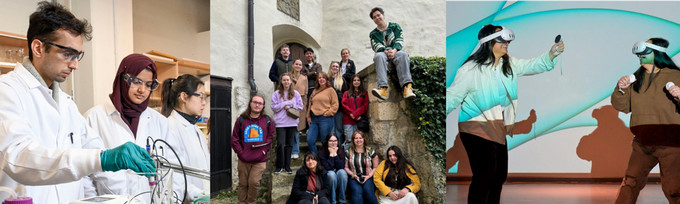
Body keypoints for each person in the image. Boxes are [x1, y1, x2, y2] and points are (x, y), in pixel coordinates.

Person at [0, 2, 155, 203]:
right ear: (38, 48)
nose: (75, 65)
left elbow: (92, 150)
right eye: (67, 54)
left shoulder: (67, 104)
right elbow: (20, 158)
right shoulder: (7, 91)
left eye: (77, 55)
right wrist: (102, 159)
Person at [445, 24, 564, 204]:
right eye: (501, 40)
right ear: (488, 43)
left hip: (497, 126)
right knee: (484, 176)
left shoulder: (507, 64)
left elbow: (531, 65)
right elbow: (452, 97)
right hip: (474, 128)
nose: (506, 43)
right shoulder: (470, 70)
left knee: (499, 176)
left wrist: (551, 54)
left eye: (507, 40)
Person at [84, 53, 171, 202]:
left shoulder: (160, 122)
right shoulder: (93, 118)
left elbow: (169, 170)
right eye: (136, 82)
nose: (142, 90)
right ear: (123, 79)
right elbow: (84, 174)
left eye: (148, 85)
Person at [611, 38, 680, 204]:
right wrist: (621, 89)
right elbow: (622, 107)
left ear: (656, 52)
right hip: (642, 143)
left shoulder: (676, 76)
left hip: (671, 144)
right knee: (630, 183)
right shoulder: (636, 78)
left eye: (644, 50)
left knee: (674, 189)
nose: (639, 55)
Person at [160, 74, 210, 202]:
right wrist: (200, 196)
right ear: (184, 97)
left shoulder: (195, 129)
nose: (204, 102)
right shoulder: (169, 127)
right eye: (201, 97)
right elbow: (174, 177)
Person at [232, 94, 275, 204]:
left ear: (263, 106)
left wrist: (264, 151)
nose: (257, 105)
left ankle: (251, 202)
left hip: (260, 160)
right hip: (243, 159)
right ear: (250, 104)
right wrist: (240, 153)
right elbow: (235, 139)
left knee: (254, 183)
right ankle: (241, 202)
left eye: (260, 103)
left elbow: (270, 137)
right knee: (243, 183)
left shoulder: (267, 120)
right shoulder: (241, 120)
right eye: (255, 102)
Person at [368, 7, 415, 100]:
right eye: (374, 17)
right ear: (373, 20)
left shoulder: (395, 26)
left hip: (396, 51)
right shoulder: (373, 33)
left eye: (378, 15)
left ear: (383, 15)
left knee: (403, 55)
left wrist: (394, 50)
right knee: (378, 56)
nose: (377, 18)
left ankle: (407, 87)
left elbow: (399, 39)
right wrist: (385, 51)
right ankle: (383, 89)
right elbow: (376, 45)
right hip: (383, 53)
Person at [271, 73, 303, 174]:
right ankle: (279, 166)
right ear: (281, 81)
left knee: (289, 144)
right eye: (284, 80)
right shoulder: (276, 93)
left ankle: (287, 166)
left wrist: (290, 106)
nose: (286, 82)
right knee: (280, 144)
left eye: (287, 80)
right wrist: (285, 103)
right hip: (280, 123)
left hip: (292, 122)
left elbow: (300, 107)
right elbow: (273, 107)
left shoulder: (296, 93)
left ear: (290, 81)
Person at [306, 72, 338, 154]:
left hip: (325, 119)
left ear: (327, 80)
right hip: (314, 119)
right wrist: (308, 116)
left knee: (325, 141)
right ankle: (316, 159)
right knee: (310, 140)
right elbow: (310, 104)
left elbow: (335, 105)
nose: (321, 79)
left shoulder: (331, 90)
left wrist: (328, 113)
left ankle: (325, 160)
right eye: (319, 78)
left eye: (323, 77)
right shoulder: (314, 90)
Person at [344, 130, 379, 204]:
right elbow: (346, 167)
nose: (358, 140)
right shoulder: (349, 152)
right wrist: (353, 175)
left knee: (368, 190)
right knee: (357, 191)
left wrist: (368, 176)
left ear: (363, 139)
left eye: (360, 138)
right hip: (354, 177)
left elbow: (376, 167)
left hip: (368, 176)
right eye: (356, 138)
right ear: (353, 140)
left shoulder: (370, 151)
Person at [318, 134, 348, 204]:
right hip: (328, 177)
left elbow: (341, 166)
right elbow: (328, 168)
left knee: (342, 172)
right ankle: (333, 200)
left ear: (337, 141)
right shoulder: (322, 152)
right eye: (331, 141)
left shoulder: (340, 150)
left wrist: (336, 155)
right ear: (327, 142)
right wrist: (331, 154)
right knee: (331, 174)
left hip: (338, 177)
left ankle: (342, 200)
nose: (333, 143)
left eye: (335, 141)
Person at [341, 75, 369, 148]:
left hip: (359, 121)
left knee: (359, 141)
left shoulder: (364, 93)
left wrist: (355, 114)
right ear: (352, 82)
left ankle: (356, 158)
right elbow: (344, 105)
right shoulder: (346, 93)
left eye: (358, 80)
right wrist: (352, 114)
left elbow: (365, 105)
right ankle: (346, 158)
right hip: (348, 121)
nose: (356, 82)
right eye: (354, 80)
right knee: (349, 140)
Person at [291, 59, 308, 159]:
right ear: (293, 65)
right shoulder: (288, 76)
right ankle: (289, 151)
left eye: (300, 65)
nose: (298, 66)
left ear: (302, 67)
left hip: (300, 105)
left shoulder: (304, 78)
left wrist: (303, 108)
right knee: (290, 130)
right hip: (289, 105)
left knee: (296, 130)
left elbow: (305, 94)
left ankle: (295, 150)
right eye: (296, 64)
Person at [328, 61, 350, 139]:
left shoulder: (342, 80)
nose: (335, 68)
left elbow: (346, 94)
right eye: (333, 66)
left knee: (339, 129)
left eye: (337, 66)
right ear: (331, 68)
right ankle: (331, 147)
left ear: (339, 69)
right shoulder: (327, 80)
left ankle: (339, 147)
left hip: (339, 108)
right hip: (329, 107)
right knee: (331, 129)